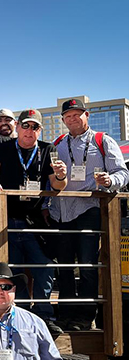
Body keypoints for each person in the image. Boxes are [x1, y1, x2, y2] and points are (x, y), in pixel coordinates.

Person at [0, 109, 68, 337]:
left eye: (35, 127)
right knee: (13, 272)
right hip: (5, 219)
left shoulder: (48, 149)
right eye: (26, 126)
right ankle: (17, 315)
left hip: (36, 221)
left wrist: (60, 176)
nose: (30, 131)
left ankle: (44, 317)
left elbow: (58, 186)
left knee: (44, 269)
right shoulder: (3, 146)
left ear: (40, 130)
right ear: (18, 127)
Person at [49, 98, 129, 330]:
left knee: (87, 265)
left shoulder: (102, 140)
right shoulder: (58, 144)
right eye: (68, 116)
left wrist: (110, 180)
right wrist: (46, 207)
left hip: (89, 209)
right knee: (63, 266)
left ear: (87, 115)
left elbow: (122, 173)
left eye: (77, 114)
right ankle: (65, 314)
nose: (73, 119)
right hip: (61, 213)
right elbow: (49, 178)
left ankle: (84, 317)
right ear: (63, 120)